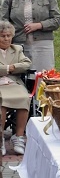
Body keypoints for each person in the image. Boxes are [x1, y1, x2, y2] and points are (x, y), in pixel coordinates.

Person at [1, 0, 60, 71]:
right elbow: (3, 22)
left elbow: (57, 20)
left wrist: (39, 25)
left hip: (43, 44)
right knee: (22, 78)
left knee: (43, 77)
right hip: (18, 45)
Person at [0, 21, 32, 156]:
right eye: (2, 36)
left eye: (8, 35)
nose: (6, 39)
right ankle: (0, 138)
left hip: (13, 83)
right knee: (1, 101)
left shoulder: (17, 49)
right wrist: (8, 68)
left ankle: (18, 137)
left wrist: (13, 68)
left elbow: (27, 63)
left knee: (24, 97)